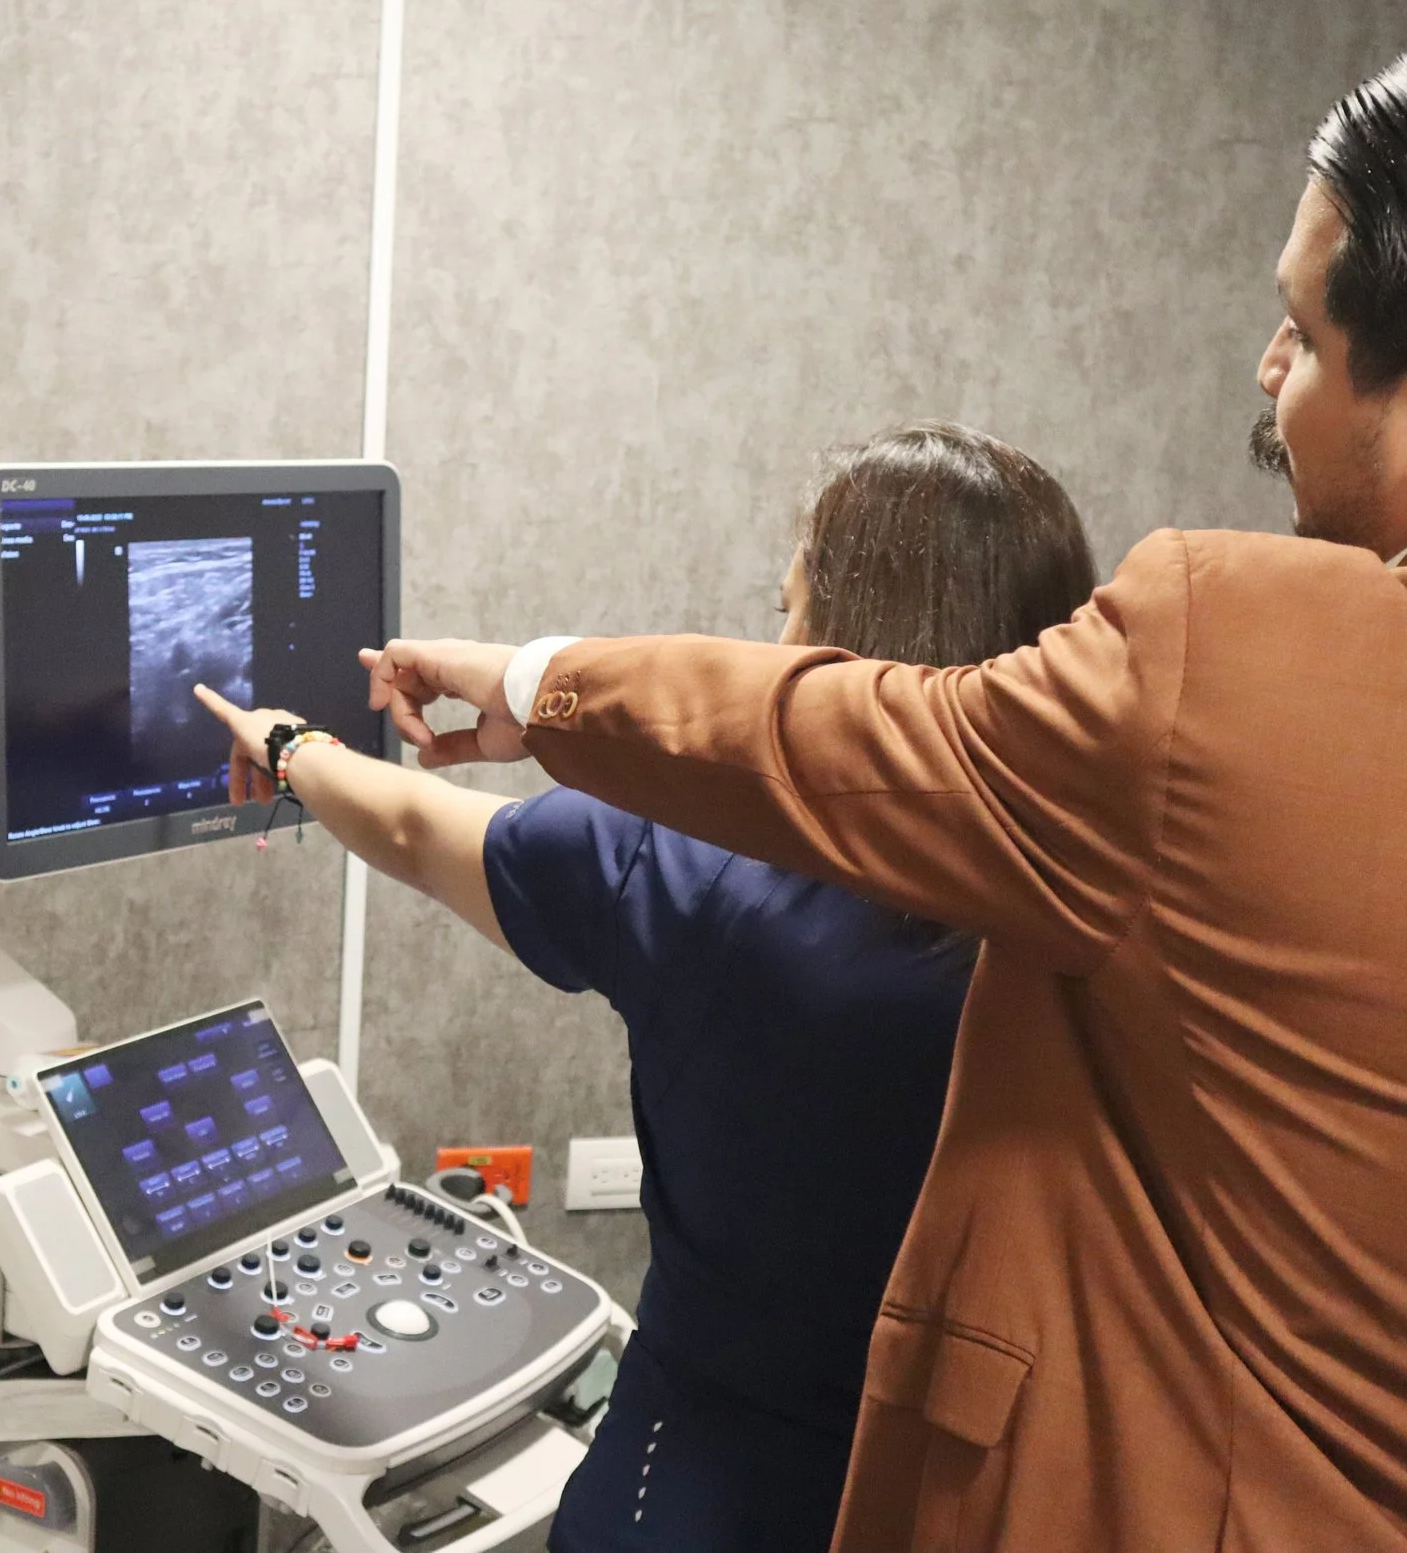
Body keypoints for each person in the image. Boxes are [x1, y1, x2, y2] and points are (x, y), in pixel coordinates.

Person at [360, 37, 1407, 1550]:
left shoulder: (1250, 656)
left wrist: (523, 683)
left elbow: (837, 735)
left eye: (1299, 331)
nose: (1270, 370)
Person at [195, 425, 1099, 1553]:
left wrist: (286, 744)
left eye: (788, 614)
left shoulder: (686, 862)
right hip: (989, 1497)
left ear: (827, 653)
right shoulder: (1115, 907)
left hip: (702, 1487)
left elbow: (408, 822)